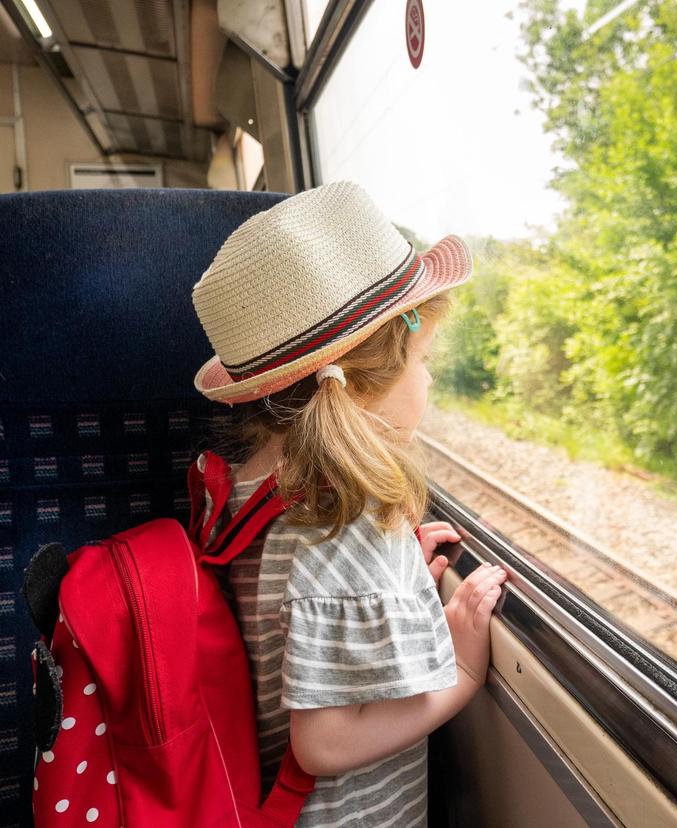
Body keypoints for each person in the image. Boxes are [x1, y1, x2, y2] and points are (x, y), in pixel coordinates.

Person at [190, 181, 507, 826]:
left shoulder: (250, 484)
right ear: (365, 383)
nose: (431, 378)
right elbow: (325, 742)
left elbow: (290, 619)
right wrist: (464, 676)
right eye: (423, 359)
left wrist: (387, 592)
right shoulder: (346, 514)